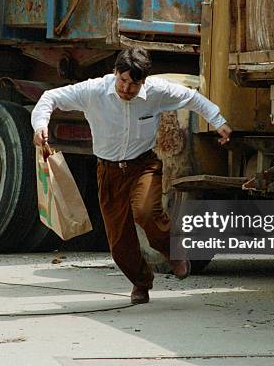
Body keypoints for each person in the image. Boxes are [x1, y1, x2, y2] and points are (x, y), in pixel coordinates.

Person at [31, 47, 232, 304]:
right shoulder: (94, 91)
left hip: (143, 166)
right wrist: (40, 126)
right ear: (115, 73)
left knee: (146, 212)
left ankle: (174, 253)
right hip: (108, 171)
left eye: (134, 84)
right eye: (122, 81)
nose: (126, 89)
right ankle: (141, 283)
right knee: (119, 244)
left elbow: (192, 98)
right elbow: (49, 97)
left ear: (143, 81)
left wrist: (219, 121)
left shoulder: (157, 92)